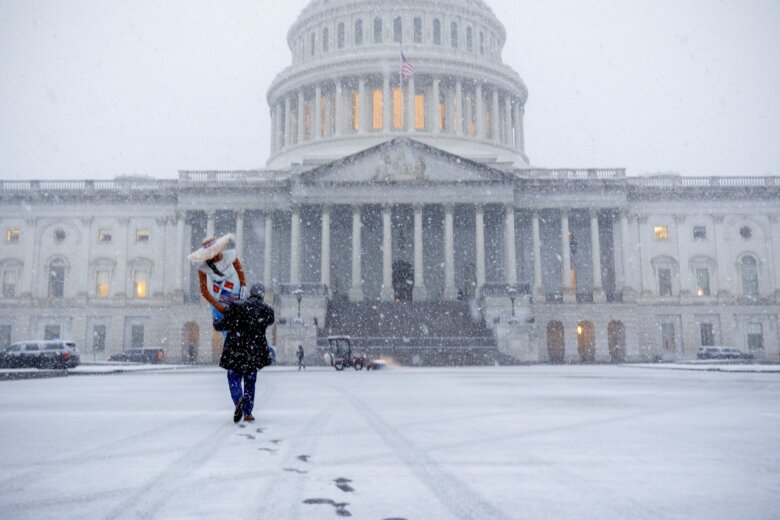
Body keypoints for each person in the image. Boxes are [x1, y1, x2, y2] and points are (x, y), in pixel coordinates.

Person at [213, 282, 275, 423]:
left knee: (233, 377)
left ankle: (238, 399)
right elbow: (270, 320)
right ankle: (248, 412)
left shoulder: (237, 306)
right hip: (254, 352)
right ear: (262, 294)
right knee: (250, 381)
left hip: (236, 349)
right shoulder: (266, 310)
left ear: (250, 293)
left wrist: (216, 322)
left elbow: (225, 324)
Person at [187, 234, 246, 336]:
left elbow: (240, 271)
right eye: (209, 252)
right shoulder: (203, 267)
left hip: (236, 294)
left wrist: (243, 287)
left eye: (213, 250)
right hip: (220, 297)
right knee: (227, 331)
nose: (212, 254)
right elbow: (204, 291)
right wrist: (219, 307)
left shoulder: (230, 255)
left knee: (242, 326)